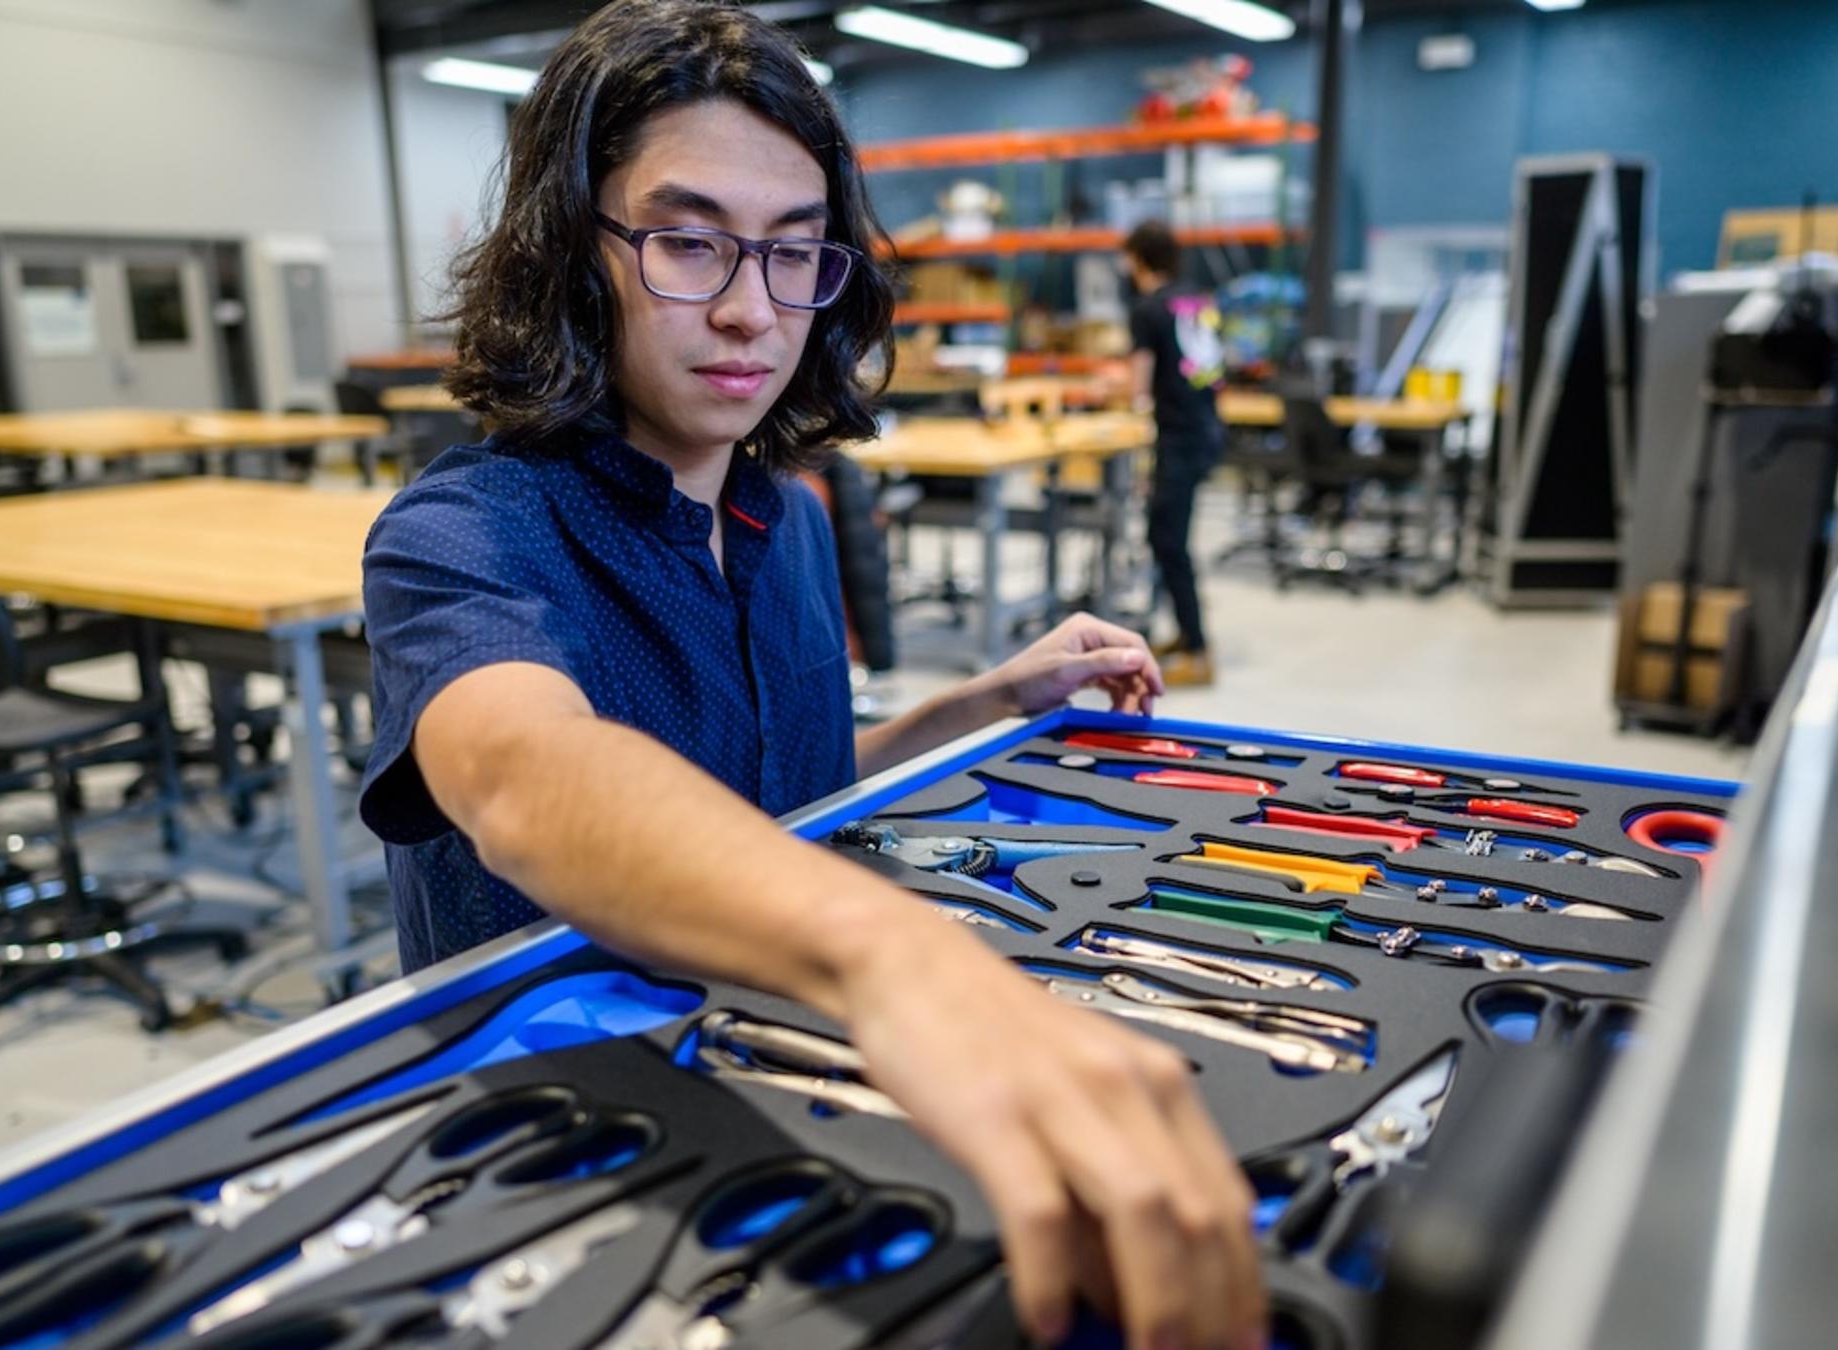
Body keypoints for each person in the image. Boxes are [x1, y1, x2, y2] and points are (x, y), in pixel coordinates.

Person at [355, 4, 1265, 1347]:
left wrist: (983, 705)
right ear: (572, 252)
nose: (748, 310)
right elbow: (522, 773)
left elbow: (781, 807)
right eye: (687, 241)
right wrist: (898, 962)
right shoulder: (465, 535)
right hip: (567, 1155)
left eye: (793, 256)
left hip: (781, 1097)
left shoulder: (784, 521)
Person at [1122, 221, 1228, 688]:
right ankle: (1185, 635)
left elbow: (1139, 388)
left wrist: (1119, 390)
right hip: (1206, 429)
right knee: (1168, 534)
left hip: (1179, 436)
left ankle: (1200, 651)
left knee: (1168, 541)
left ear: (1137, 258)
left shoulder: (1146, 309)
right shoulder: (1199, 300)